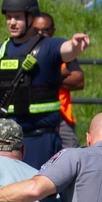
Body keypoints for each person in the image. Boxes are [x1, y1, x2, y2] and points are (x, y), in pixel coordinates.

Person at [0, 0, 90, 170]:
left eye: (18, 17)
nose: (12, 22)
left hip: (40, 139)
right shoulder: (1, 50)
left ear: (31, 18)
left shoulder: (48, 46)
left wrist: (76, 45)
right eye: (9, 17)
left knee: (41, 195)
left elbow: (67, 49)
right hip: (7, 141)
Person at [33, 12, 84, 148]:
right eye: (36, 30)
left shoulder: (61, 52)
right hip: (33, 115)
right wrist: (59, 74)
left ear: (53, 31)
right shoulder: (26, 53)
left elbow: (78, 80)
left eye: (45, 30)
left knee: (71, 154)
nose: (40, 34)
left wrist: (44, 78)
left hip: (62, 116)